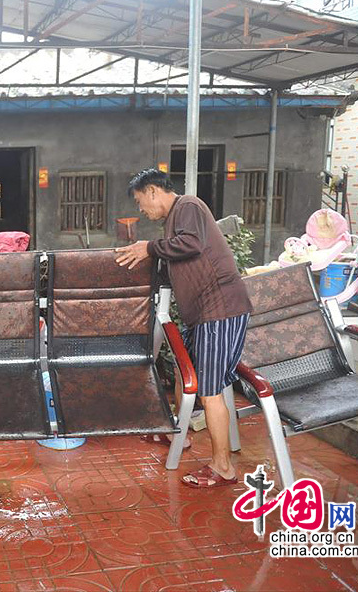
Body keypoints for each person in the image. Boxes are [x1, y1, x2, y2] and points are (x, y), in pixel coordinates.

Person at [116, 169, 252, 489]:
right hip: (201, 314)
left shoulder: (187, 206)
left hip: (219, 310)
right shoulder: (173, 221)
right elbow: (174, 260)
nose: (142, 210)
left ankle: (223, 467)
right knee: (182, 373)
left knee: (208, 390)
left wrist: (149, 247)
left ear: (153, 191)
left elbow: (190, 244)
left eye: (140, 202)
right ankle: (182, 434)